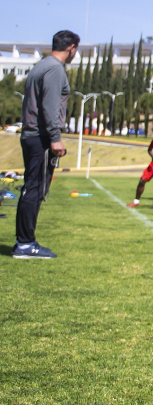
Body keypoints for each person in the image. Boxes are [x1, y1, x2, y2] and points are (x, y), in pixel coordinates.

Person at [13, 30, 76, 259]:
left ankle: (24, 241)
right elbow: (50, 106)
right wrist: (55, 137)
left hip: (32, 135)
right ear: (72, 48)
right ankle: (25, 243)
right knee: (34, 188)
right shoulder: (55, 69)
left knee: (32, 186)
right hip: (40, 137)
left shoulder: (40, 66)